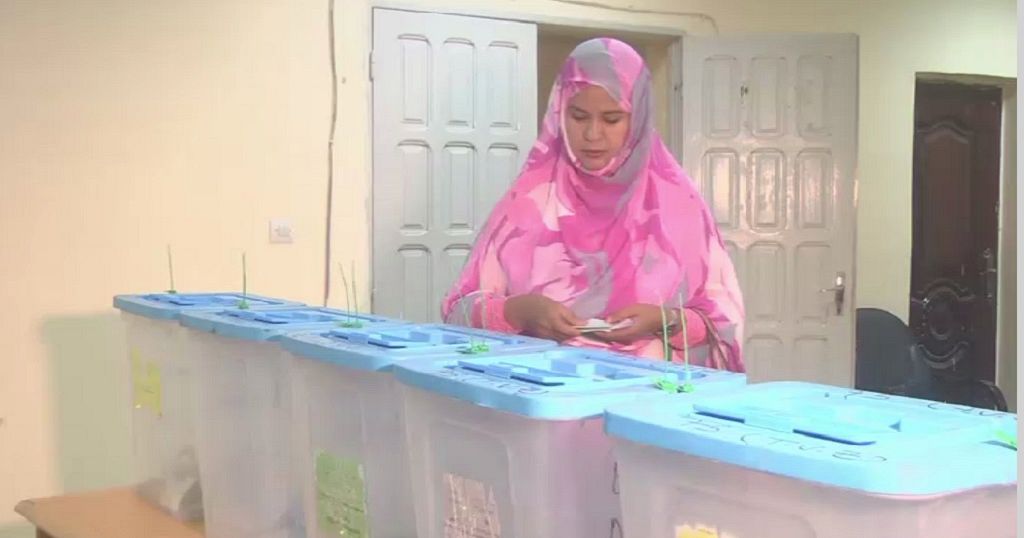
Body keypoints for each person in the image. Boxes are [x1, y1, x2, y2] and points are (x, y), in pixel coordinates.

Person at [442, 38, 745, 372]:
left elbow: (722, 319)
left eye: (612, 119)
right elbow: (458, 311)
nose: (592, 134)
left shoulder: (678, 206)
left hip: (648, 406)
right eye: (579, 116)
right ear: (559, 112)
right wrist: (518, 311)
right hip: (544, 404)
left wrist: (667, 320)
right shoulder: (528, 203)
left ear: (638, 117)